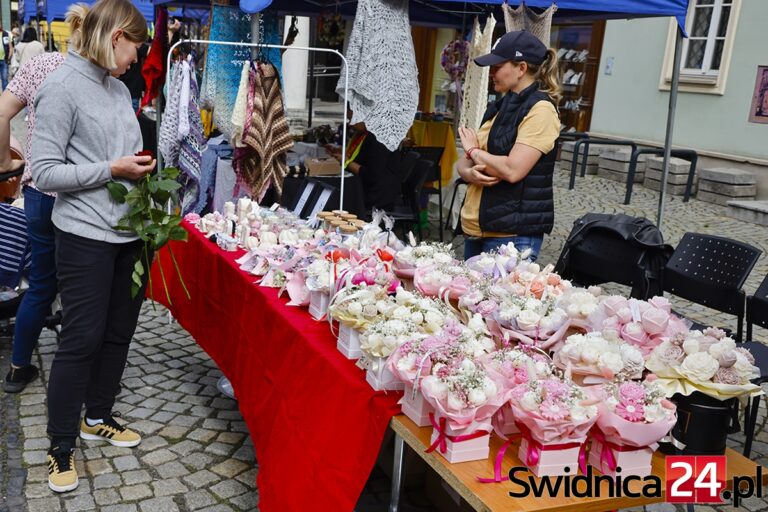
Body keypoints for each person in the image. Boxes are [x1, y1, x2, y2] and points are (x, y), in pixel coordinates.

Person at [31, 0, 154, 493]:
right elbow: (43, 173)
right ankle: (60, 447)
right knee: (80, 340)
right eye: (135, 50)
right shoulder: (61, 87)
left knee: (119, 332)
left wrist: (144, 180)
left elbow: (119, 153)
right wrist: (112, 170)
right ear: (116, 35)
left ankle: (97, 415)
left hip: (129, 233)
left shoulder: (117, 87)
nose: (136, 62)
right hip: (84, 235)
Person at [0, 5, 88, 394]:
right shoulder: (95, 75)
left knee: (40, 285)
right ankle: (80, 379)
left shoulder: (43, 66)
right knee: (83, 287)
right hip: (80, 198)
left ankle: (19, 368)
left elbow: (2, 113)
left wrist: (6, 165)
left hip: (38, 193)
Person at [457, 30, 561, 261]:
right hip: (478, 228)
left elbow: (513, 169)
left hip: (511, 235)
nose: (491, 73)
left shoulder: (541, 110)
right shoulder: (500, 106)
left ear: (521, 68)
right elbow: (465, 161)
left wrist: (474, 151)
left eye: (498, 66)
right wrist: (467, 172)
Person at [326, 117, 400, 210]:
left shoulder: (380, 138)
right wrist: (342, 152)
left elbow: (371, 175)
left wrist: (346, 162)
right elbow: (360, 157)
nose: (350, 124)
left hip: (376, 197)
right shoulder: (364, 134)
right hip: (362, 188)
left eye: (352, 119)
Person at [0, 24, 11, 90]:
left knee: (4, 78)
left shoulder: (5, 34)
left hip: (4, 60)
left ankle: (4, 95)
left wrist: (8, 57)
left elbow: (10, 46)